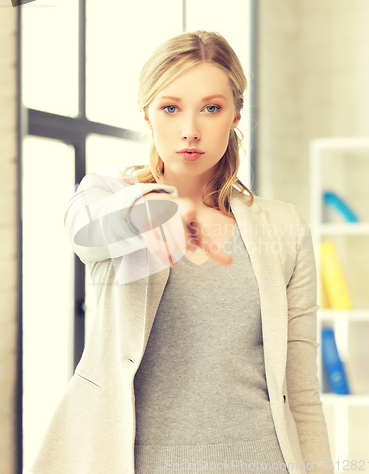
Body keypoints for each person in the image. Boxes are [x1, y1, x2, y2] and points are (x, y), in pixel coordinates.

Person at [30, 30, 332, 474]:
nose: (190, 130)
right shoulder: (110, 198)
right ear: (147, 115)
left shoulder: (282, 227)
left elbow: (302, 391)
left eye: (211, 108)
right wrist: (153, 210)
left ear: (235, 116)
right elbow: (85, 235)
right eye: (170, 108)